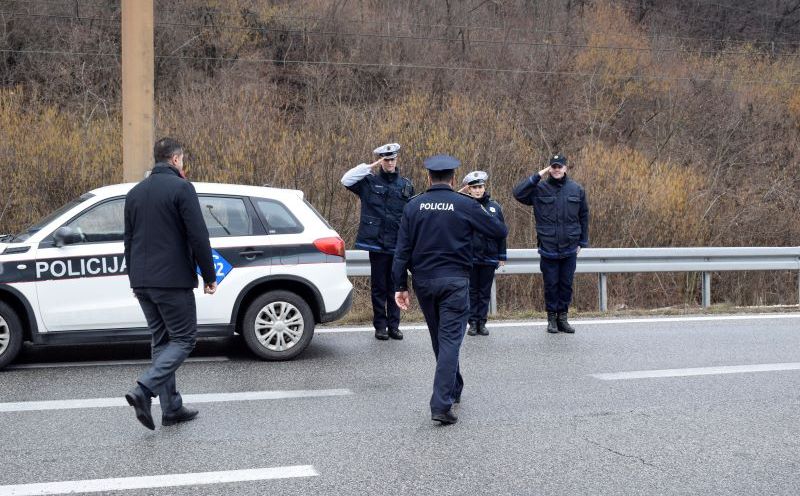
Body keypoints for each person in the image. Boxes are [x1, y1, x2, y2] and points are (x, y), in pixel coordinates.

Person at [393, 155, 508, 425]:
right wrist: (472, 209)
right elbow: (499, 230)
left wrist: (400, 285)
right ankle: (441, 405)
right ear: (455, 179)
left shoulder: (414, 205)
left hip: (424, 282)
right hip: (455, 281)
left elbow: (402, 250)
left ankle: (453, 387)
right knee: (449, 341)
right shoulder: (465, 204)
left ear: (428, 177)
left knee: (440, 339)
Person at [123, 137, 217, 430]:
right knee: (185, 339)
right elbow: (198, 235)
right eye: (182, 159)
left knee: (162, 341)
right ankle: (144, 389)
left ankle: (172, 408)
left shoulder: (135, 193)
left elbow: (128, 240)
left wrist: (135, 279)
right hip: (172, 281)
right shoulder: (182, 188)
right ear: (176, 159)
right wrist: (209, 275)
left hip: (142, 281)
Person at [341, 143, 414, 341]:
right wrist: (368, 166)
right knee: (379, 288)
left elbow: (411, 217)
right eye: (386, 159)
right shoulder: (369, 182)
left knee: (396, 286)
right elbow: (346, 180)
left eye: (393, 159)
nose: (390, 163)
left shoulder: (406, 185)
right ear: (381, 161)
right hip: (377, 244)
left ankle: (394, 326)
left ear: (397, 160)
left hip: (397, 244)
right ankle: (380, 326)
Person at [512, 153, 589, 334]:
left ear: (565, 168)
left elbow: (584, 216)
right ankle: (551, 319)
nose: (556, 169)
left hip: (570, 246)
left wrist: (582, 241)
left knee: (566, 285)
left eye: (559, 166)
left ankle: (563, 318)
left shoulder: (576, 189)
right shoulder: (539, 189)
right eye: (553, 166)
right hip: (548, 246)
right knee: (551, 285)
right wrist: (538, 175)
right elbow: (518, 193)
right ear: (549, 168)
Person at [459, 171, 507, 337]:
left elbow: (502, 233)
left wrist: (502, 255)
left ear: (484, 188)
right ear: (469, 189)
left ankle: (482, 322)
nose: (478, 190)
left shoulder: (494, 207)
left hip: (490, 255)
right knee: (472, 292)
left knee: (484, 292)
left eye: (480, 187)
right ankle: (472, 323)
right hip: (470, 256)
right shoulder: (464, 206)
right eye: (474, 187)